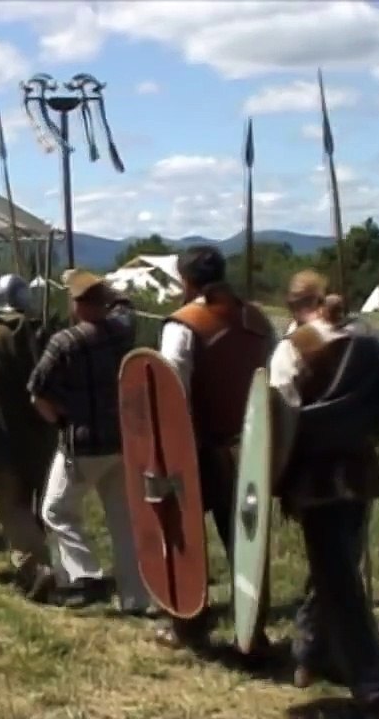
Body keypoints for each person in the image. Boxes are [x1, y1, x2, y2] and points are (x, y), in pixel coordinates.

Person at [269, 269, 379, 719]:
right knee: (337, 570)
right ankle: (312, 655)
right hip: (361, 472)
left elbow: (278, 424)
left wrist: (273, 479)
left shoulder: (290, 351)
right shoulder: (373, 344)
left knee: (340, 581)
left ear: (296, 307)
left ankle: (373, 688)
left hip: (316, 481)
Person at [152, 246, 276, 649]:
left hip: (198, 448)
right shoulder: (258, 320)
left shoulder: (183, 325)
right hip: (249, 447)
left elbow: (174, 391)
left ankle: (188, 623)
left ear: (185, 281)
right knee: (247, 539)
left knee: (182, 534)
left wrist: (170, 450)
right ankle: (253, 629)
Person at [27, 269, 150, 613]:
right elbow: (128, 307)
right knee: (123, 521)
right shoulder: (122, 331)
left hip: (82, 443)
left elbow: (37, 393)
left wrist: (60, 420)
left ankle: (87, 575)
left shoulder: (64, 342)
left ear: (77, 304)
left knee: (55, 510)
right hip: (121, 441)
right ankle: (135, 597)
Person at [0, 273, 58, 600]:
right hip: (44, 435)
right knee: (40, 505)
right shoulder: (45, 334)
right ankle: (47, 562)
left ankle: (35, 569)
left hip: (3, 437)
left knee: (13, 507)